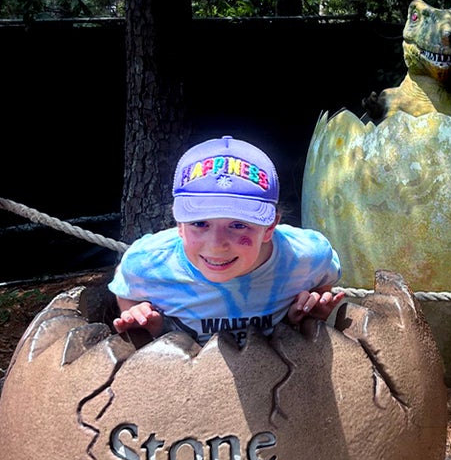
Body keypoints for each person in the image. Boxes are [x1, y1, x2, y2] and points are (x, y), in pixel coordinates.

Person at [109, 135, 344, 345]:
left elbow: (322, 280)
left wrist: (308, 307)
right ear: (179, 224)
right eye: (199, 223)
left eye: (238, 225)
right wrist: (141, 317)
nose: (216, 244)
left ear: (270, 226)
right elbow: (125, 286)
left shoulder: (307, 256)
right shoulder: (148, 262)